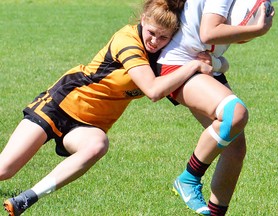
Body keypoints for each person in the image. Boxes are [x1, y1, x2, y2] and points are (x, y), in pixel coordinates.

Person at [0, 0, 215, 215]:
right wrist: (194, 65)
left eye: (163, 37)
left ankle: (26, 199)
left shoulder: (164, 55)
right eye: (151, 33)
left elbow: (181, 87)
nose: (154, 41)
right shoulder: (127, 39)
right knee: (5, 169)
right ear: (143, 20)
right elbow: (153, 90)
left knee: (97, 145)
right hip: (60, 104)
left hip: (90, 124)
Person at [157, 0, 274, 215]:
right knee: (234, 114)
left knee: (235, 147)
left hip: (204, 63)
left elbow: (230, 32)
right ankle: (188, 179)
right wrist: (258, 29)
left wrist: (220, 61)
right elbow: (209, 33)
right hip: (178, 63)